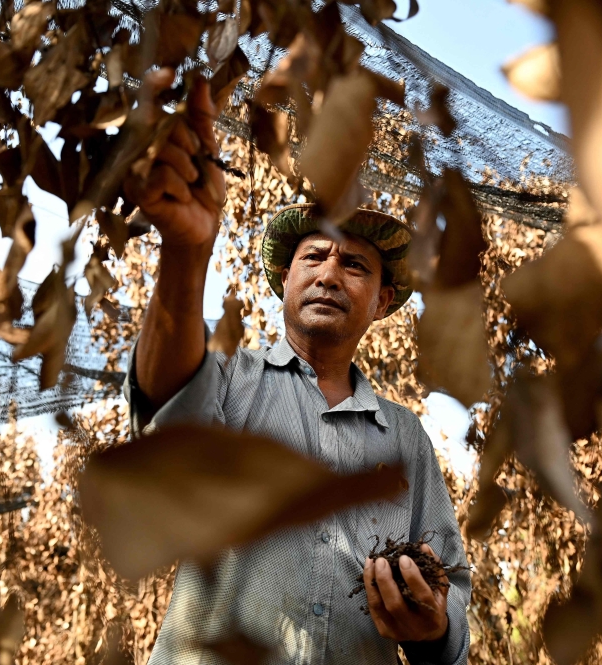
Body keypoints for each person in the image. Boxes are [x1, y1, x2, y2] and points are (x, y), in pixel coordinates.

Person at [124, 73, 471, 665]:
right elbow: (167, 415)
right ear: (286, 279)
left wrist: (435, 627)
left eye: (355, 265)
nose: (330, 274)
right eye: (314, 256)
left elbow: (453, 591)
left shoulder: (406, 440)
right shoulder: (233, 382)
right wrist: (185, 254)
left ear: (382, 301)